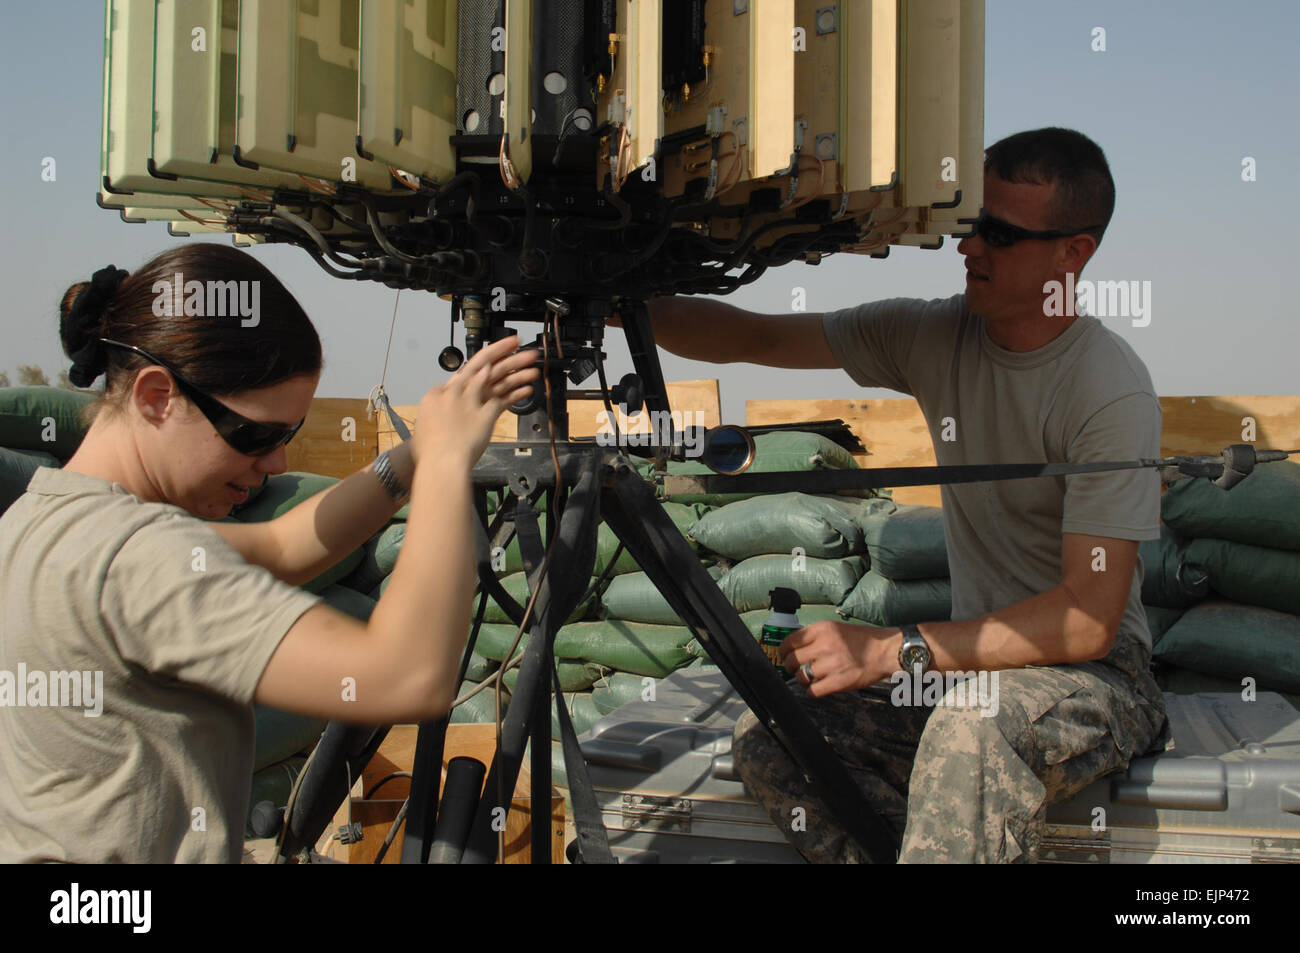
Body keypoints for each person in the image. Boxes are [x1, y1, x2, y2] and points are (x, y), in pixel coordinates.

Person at [636, 127, 1171, 862]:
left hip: (1097, 682)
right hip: (973, 673)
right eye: (968, 224)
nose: (969, 248)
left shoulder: (1109, 389)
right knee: (774, 735)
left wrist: (892, 649)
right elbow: (754, 337)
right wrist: (614, 300)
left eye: (999, 234)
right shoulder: (932, 335)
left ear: (1071, 255)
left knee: (970, 727)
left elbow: (1087, 622)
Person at [0, 243, 539, 863]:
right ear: (156, 396)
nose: (277, 464)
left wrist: (413, 457)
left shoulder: (57, 519)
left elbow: (283, 546)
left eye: (286, 436)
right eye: (253, 435)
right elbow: (408, 679)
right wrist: (448, 463)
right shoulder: (139, 555)